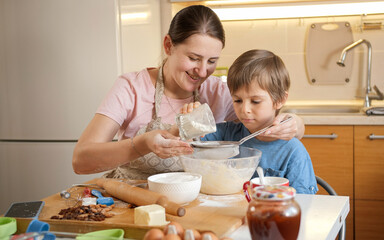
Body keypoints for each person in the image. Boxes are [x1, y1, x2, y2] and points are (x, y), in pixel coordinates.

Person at [72, 5, 305, 180]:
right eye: (193, 58)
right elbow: (81, 161)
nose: (202, 71)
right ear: (168, 46)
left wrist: (294, 123)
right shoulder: (131, 87)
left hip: (194, 203)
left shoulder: (219, 92)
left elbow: (260, 131)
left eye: (212, 61)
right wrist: (142, 144)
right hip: (133, 199)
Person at [184, 49, 317, 194]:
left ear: (279, 100)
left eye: (255, 101)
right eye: (237, 100)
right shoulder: (226, 134)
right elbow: (190, 144)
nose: (245, 109)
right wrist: (191, 118)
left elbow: (303, 202)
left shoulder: (293, 152)